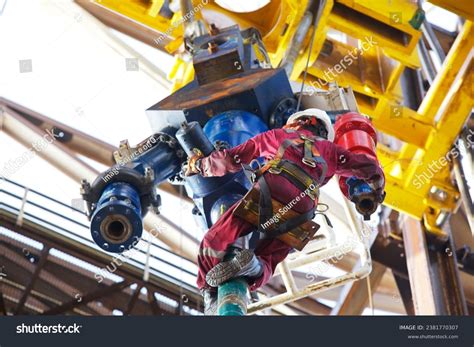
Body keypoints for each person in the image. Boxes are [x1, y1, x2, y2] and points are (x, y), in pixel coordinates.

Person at [185, 108, 385, 315]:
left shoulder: (277, 135)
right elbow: (366, 166)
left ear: (297, 122)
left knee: (216, 238)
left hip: (272, 189)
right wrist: (377, 186)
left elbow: (232, 160)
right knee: (271, 257)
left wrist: (200, 166)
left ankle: (208, 291)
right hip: (304, 208)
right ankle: (254, 266)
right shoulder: (331, 151)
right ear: (323, 131)